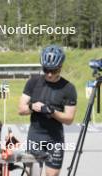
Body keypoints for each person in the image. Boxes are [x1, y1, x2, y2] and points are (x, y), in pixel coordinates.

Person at [18, 45, 77, 176]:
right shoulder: (33, 82)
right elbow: (21, 109)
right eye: (46, 70)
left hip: (55, 138)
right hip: (35, 136)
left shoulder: (69, 88)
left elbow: (69, 119)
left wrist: (53, 112)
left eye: (54, 70)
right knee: (32, 174)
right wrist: (32, 107)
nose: (49, 74)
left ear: (60, 67)